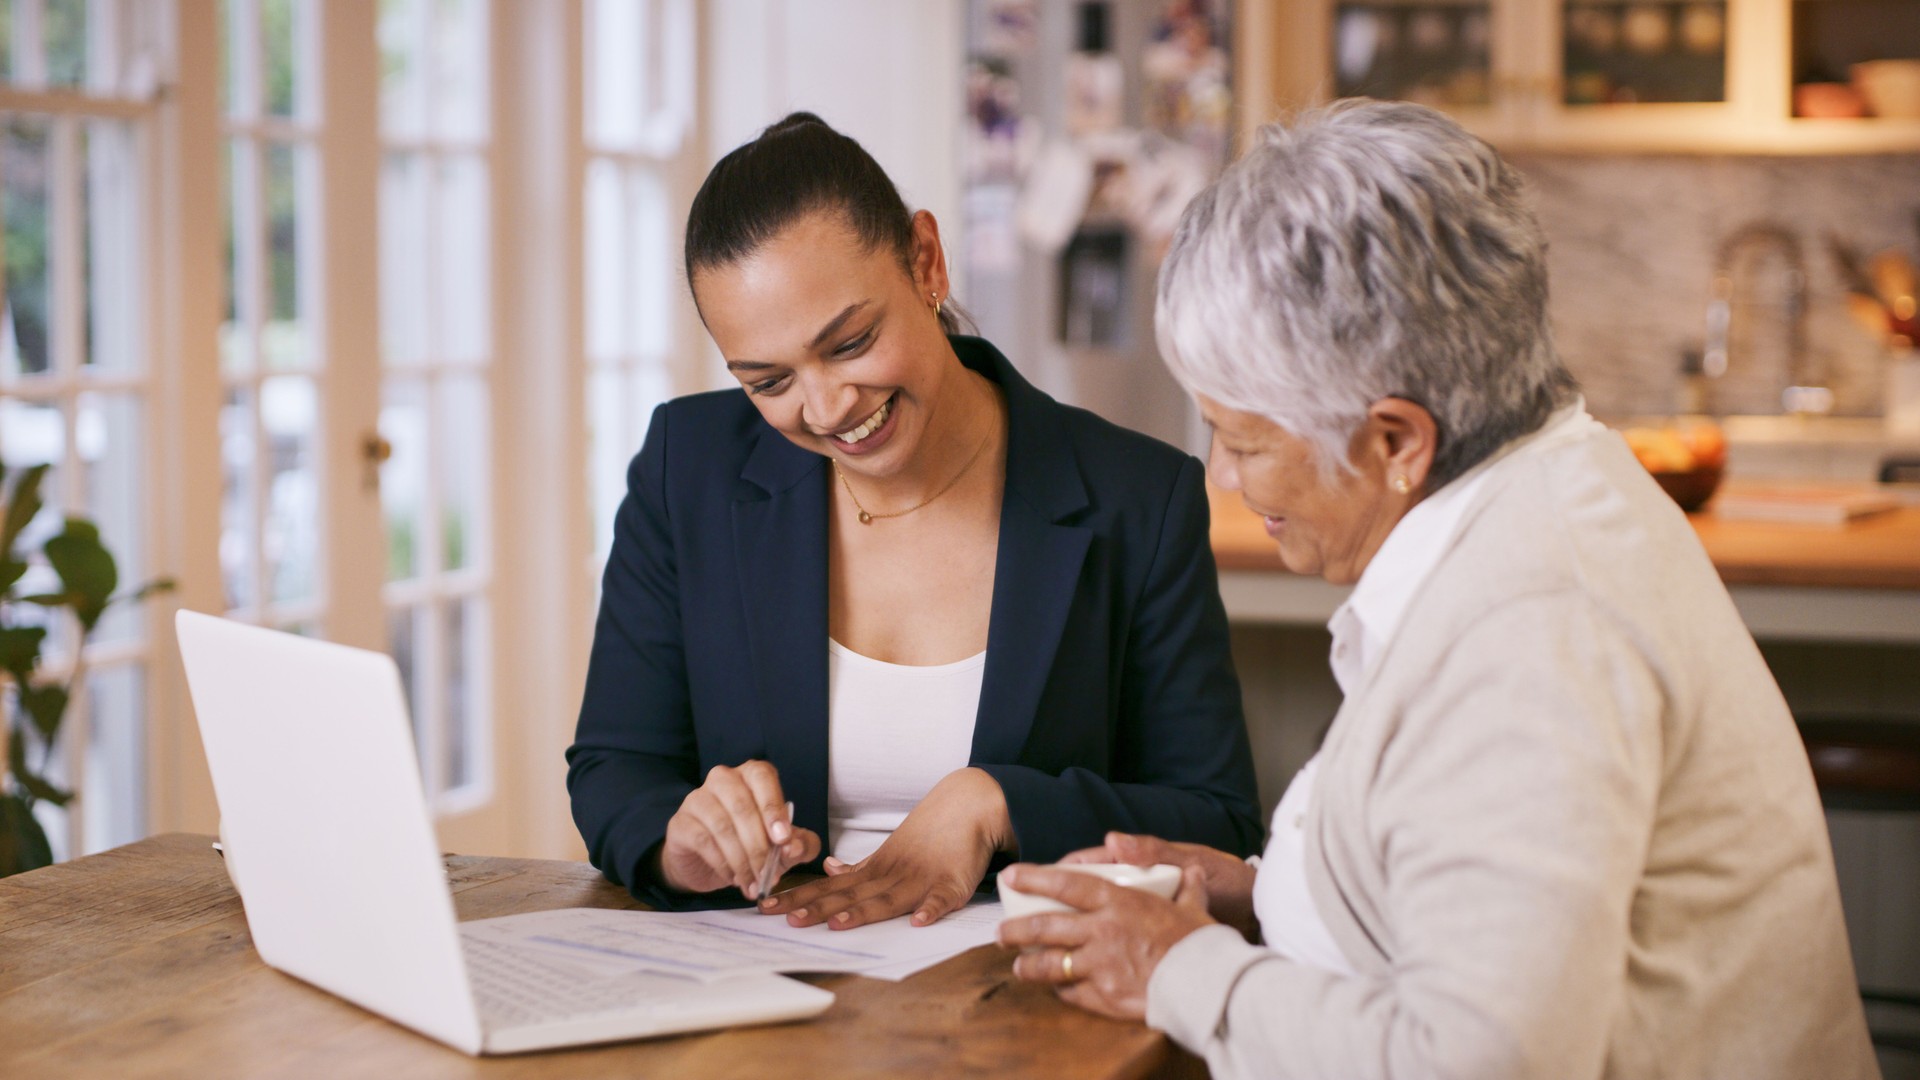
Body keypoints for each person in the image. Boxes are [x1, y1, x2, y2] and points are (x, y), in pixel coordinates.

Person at [998, 100, 1878, 1079]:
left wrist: (1180, 968)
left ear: (1396, 442)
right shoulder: (1547, 486)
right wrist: (1265, 890)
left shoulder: (1533, 634)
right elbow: (1483, 889)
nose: (1223, 478)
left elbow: (1482, 1059)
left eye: (1244, 441)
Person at [567, 113, 1262, 930]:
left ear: (926, 261)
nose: (826, 410)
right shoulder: (687, 467)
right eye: (767, 382)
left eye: (852, 342)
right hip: (767, 981)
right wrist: (678, 844)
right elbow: (616, 766)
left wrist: (1001, 802)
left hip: (1023, 991)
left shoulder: (1138, 497)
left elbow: (1218, 821)